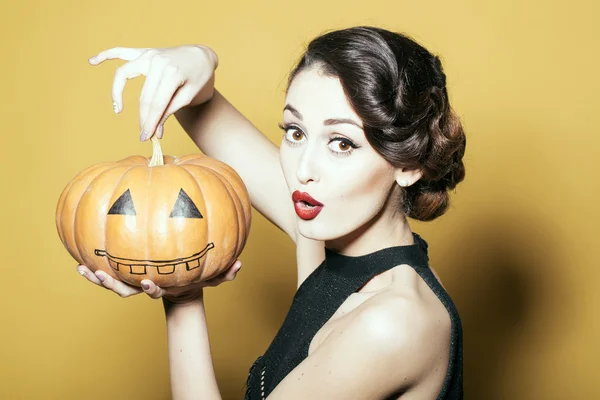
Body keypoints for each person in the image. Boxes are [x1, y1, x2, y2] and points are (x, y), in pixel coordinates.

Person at [79, 26, 466, 399]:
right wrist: (200, 58)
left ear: (409, 164)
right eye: (295, 132)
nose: (302, 170)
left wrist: (183, 300)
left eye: (342, 143)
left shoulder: (392, 323)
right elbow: (202, 105)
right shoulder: (326, 234)